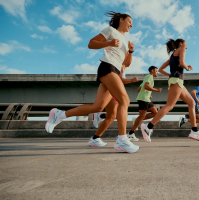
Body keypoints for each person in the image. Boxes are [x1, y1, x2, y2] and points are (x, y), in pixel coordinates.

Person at [45, 11, 140, 153]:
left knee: (98, 106)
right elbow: (91, 43)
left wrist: (131, 51)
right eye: (129, 21)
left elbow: (126, 63)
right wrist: (109, 42)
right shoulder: (110, 31)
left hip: (115, 70)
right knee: (124, 100)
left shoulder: (126, 41)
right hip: (108, 67)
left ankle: (60, 115)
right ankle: (122, 139)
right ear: (121, 20)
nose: (131, 25)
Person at [140, 39, 199, 142]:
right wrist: (188, 68)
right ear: (180, 44)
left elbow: (161, 69)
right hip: (176, 81)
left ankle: (194, 130)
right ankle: (148, 127)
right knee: (169, 106)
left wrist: (171, 75)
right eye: (186, 44)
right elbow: (182, 62)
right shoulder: (181, 49)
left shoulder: (172, 56)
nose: (186, 47)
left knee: (192, 103)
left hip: (177, 81)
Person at [89, 64, 139, 146]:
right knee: (116, 114)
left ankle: (96, 137)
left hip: (113, 91)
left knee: (112, 116)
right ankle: (122, 138)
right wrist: (132, 80)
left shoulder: (122, 67)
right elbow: (119, 80)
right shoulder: (118, 65)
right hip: (112, 92)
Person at [126, 66, 162, 141]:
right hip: (143, 99)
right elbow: (146, 86)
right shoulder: (149, 76)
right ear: (152, 70)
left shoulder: (147, 78)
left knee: (156, 113)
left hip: (146, 99)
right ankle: (130, 134)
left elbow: (139, 89)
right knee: (142, 116)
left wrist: (148, 94)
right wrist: (156, 90)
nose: (157, 72)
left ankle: (136, 120)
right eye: (156, 71)